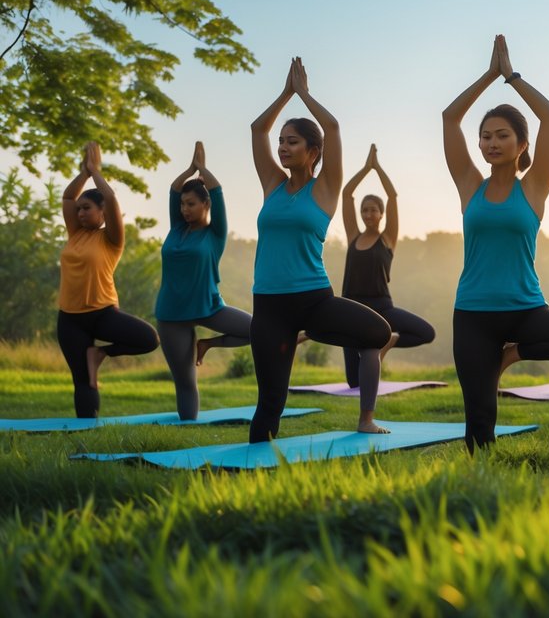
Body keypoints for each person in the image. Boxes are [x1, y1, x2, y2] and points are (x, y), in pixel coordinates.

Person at [443, 35, 549, 451]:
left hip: (525, 309)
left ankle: (513, 354)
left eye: (501, 136)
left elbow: (548, 116)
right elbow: (448, 118)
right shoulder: (469, 187)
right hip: (473, 313)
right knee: (479, 421)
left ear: (521, 144)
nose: (491, 143)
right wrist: (487, 76)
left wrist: (510, 76)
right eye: (485, 136)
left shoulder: (532, 189)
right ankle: (481, 488)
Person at [248, 57, 393, 442]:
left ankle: (366, 417)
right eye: (281, 142)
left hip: (313, 300)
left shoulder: (325, 188)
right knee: (271, 400)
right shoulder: (273, 185)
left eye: (291, 142)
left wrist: (305, 95)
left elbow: (331, 126)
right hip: (269, 305)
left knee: (376, 333)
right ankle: (254, 472)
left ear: (313, 152)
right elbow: (257, 128)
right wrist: (285, 94)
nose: (282, 147)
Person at [57, 141, 159, 417]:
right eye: (79, 210)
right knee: (84, 381)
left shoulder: (111, 239)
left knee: (149, 338)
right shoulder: (75, 234)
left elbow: (112, 199)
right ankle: (87, 436)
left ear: (102, 213)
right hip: (69, 318)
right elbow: (67, 199)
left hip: (102, 313)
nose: (79, 213)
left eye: (86, 208)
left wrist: (97, 172)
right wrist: (84, 174)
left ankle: (101, 353)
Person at [155, 141, 251, 420]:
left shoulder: (215, 233)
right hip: (171, 314)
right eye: (183, 204)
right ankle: (187, 432)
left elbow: (218, 191)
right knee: (185, 383)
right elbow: (173, 190)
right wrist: (189, 169)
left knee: (257, 330)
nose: (185, 209)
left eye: (191, 204)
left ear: (206, 204)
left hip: (209, 306)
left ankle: (207, 344)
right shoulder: (177, 228)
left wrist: (203, 169)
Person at [339, 143, 436, 386]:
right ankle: (370, 346)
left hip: (381, 308)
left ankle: (386, 341)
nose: (368, 214)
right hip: (351, 310)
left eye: (373, 210)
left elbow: (392, 196)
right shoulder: (353, 236)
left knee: (426, 333)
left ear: (382, 214)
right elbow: (346, 194)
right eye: (365, 210)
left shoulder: (388, 239)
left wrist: (378, 168)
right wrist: (365, 168)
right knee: (354, 383)